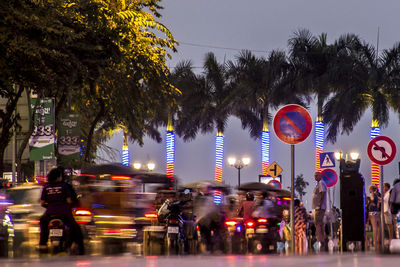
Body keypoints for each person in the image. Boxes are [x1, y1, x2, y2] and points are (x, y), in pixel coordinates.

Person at [39, 168, 73, 252]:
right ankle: (72, 244)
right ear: (58, 177)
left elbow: (42, 203)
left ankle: (43, 244)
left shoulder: (46, 187)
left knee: (43, 225)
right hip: (64, 213)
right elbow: (69, 201)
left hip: (50, 213)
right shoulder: (64, 186)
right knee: (73, 227)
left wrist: (49, 205)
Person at [311, 171, 327, 250]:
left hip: (319, 208)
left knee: (318, 224)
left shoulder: (321, 183)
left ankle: (319, 240)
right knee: (319, 224)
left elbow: (322, 192)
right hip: (318, 207)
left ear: (320, 176)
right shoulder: (319, 183)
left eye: (317, 175)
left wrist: (320, 203)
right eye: (314, 176)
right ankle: (321, 240)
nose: (315, 177)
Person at [367, 185, 381, 252]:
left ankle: (375, 240)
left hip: (372, 211)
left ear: (371, 189)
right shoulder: (376, 195)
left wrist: (371, 202)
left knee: (374, 226)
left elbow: (372, 200)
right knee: (377, 226)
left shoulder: (372, 194)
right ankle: (378, 239)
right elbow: (379, 200)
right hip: (376, 211)